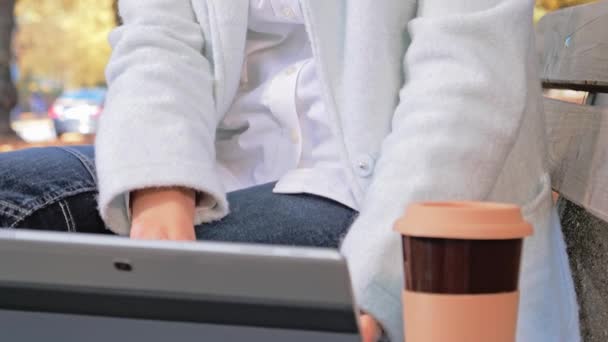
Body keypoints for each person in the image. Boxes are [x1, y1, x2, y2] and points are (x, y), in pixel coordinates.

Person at [0, 1, 580, 341]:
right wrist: (158, 192)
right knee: (12, 206)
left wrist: (375, 281)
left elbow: (467, 80)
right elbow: (156, 37)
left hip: (380, 193)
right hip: (219, 169)